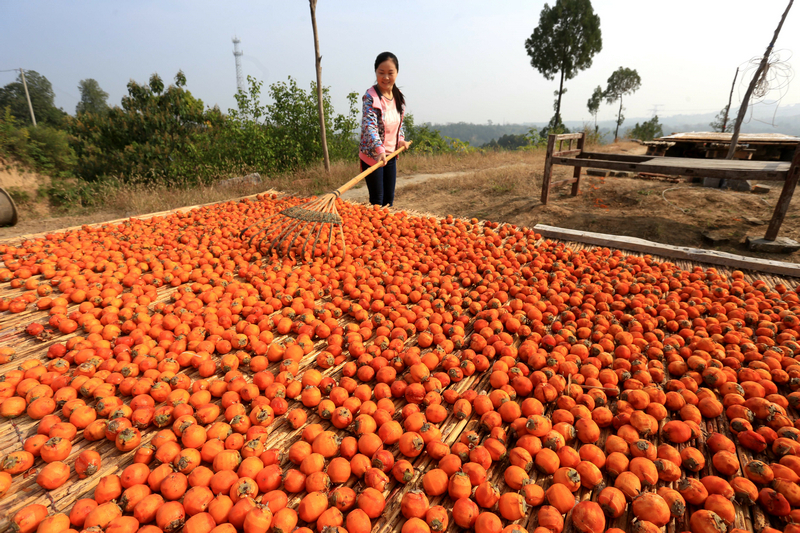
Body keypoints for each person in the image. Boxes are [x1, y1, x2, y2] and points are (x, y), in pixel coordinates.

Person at [359, 51, 410, 207]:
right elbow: (370, 126)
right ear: (376, 72)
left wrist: (400, 140)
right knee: (377, 200)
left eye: (390, 73)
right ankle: (374, 230)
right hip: (374, 155)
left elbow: (399, 122)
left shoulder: (398, 96)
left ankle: (387, 230)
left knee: (389, 200)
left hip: (391, 155)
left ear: (397, 73)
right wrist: (379, 150)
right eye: (381, 73)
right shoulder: (371, 96)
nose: (386, 77)